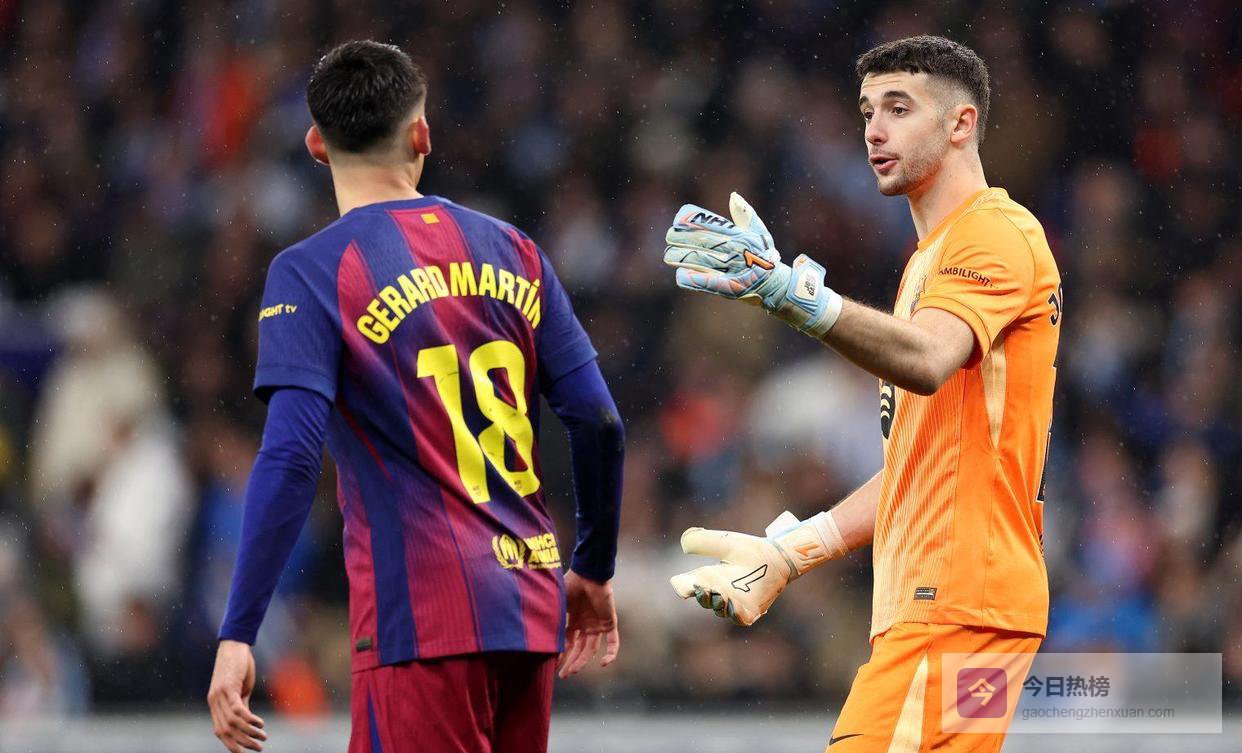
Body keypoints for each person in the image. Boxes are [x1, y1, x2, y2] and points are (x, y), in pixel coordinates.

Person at [206, 40, 625, 753]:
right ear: (422, 134)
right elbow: (599, 420)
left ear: (316, 144)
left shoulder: (312, 271)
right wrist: (593, 566)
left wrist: (240, 629)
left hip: (422, 618)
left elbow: (292, 456)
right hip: (529, 607)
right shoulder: (514, 249)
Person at [664, 35, 1060, 752]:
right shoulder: (930, 263)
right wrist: (794, 550)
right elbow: (921, 464)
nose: (874, 129)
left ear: (961, 123)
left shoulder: (993, 233)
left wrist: (794, 298)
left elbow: (929, 359)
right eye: (868, 110)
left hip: (953, 601)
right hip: (956, 606)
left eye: (899, 108)